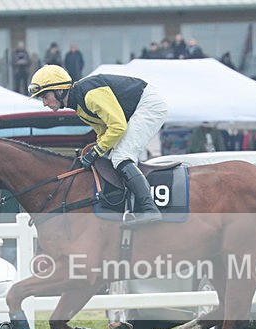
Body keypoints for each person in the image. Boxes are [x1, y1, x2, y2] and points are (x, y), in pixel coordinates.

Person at [28, 64, 166, 226]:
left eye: (45, 96)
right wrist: (97, 149)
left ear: (59, 90)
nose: (44, 103)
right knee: (115, 156)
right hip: (137, 107)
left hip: (149, 104)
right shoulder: (78, 105)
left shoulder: (89, 95)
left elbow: (118, 126)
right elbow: (103, 131)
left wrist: (96, 152)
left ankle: (150, 209)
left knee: (121, 156)